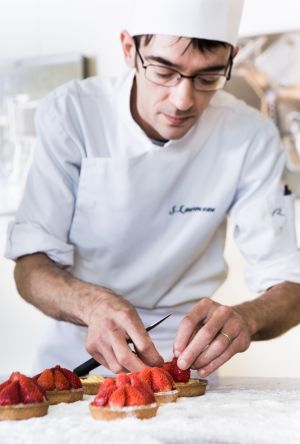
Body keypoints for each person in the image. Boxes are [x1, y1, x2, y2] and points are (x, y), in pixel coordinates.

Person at [5, 0, 300, 378]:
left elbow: (290, 284)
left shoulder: (249, 136)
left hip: (184, 365)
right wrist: (93, 304)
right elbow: (30, 267)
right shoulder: (74, 113)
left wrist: (247, 318)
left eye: (208, 78)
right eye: (164, 71)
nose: (183, 100)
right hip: (77, 357)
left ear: (232, 59)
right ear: (130, 49)